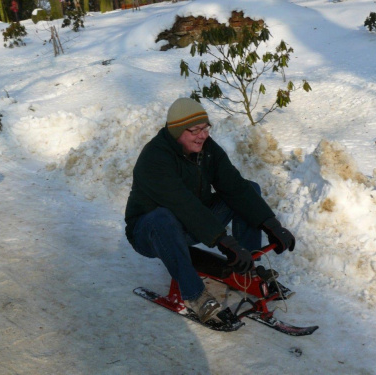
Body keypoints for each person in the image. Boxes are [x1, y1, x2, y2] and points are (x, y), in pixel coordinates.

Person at [124, 98, 295, 323]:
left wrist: (271, 224)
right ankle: (194, 295)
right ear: (176, 131)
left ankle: (246, 272)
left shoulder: (207, 149)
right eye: (195, 130)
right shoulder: (155, 159)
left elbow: (234, 186)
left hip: (192, 221)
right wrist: (225, 242)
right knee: (162, 218)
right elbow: (184, 205)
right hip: (150, 232)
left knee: (248, 190)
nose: (202, 135)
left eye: (205, 128)